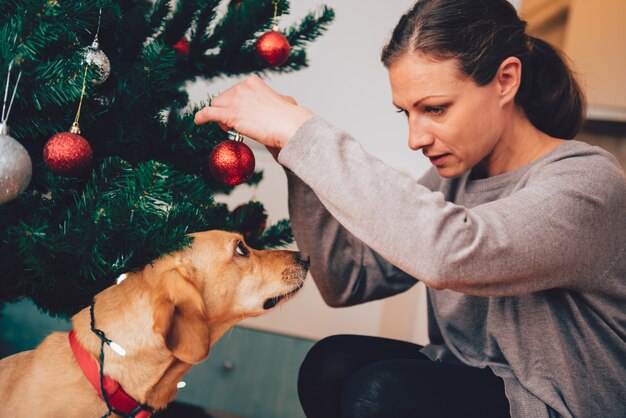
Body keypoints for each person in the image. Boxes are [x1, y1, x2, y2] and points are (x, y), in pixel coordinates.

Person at [194, 0, 626, 417]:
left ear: (505, 80)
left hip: (554, 406)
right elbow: (347, 280)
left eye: (435, 109)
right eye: (406, 113)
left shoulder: (587, 184)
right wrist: (292, 158)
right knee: (330, 364)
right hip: (470, 377)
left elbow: (449, 253)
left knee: (380, 394)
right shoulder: (453, 178)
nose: (415, 138)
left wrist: (302, 133)